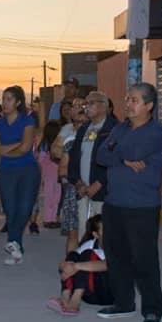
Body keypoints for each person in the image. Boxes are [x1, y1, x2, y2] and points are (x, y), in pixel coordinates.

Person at [95, 83, 162, 322]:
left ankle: (152, 308)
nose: (128, 104)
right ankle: (123, 302)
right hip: (115, 203)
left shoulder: (156, 132)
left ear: (149, 106)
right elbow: (101, 155)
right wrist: (124, 159)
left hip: (142, 206)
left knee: (144, 259)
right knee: (117, 257)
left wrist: (119, 153)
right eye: (127, 99)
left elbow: (134, 149)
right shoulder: (119, 127)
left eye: (134, 100)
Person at [0, 86, 40, 265]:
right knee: (10, 209)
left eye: (9, 99)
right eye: (4, 99)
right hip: (6, 171)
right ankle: (16, 245)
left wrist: (7, 150)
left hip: (28, 169)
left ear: (18, 102)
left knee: (25, 207)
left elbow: (26, 148)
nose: (5, 103)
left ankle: (14, 243)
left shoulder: (27, 121)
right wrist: (16, 146)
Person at [69, 91, 117, 238]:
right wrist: (78, 183)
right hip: (83, 191)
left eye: (91, 103)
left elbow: (115, 160)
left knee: (105, 234)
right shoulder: (84, 129)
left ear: (104, 106)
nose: (86, 107)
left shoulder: (114, 129)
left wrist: (98, 183)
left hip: (104, 192)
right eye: (85, 104)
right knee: (84, 234)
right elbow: (74, 157)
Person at [47, 214, 113, 316]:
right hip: (90, 293)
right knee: (73, 255)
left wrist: (77, 266)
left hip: (110, 294)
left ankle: (75, 300)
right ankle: (65, 296)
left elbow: (108, 265)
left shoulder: (120, 245)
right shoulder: (90, 244)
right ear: (96, 234)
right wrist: (66, 265)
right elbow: (65, 264)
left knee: (86, 256)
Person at [35, 121, 62, 230]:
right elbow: (41, 160)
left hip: (51, 174)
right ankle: (48, 219)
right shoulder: (46, 145)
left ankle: (51, 218)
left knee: (53, 196)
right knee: (53, 196)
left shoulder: (44, 145)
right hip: (52, 173)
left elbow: (40, 160)